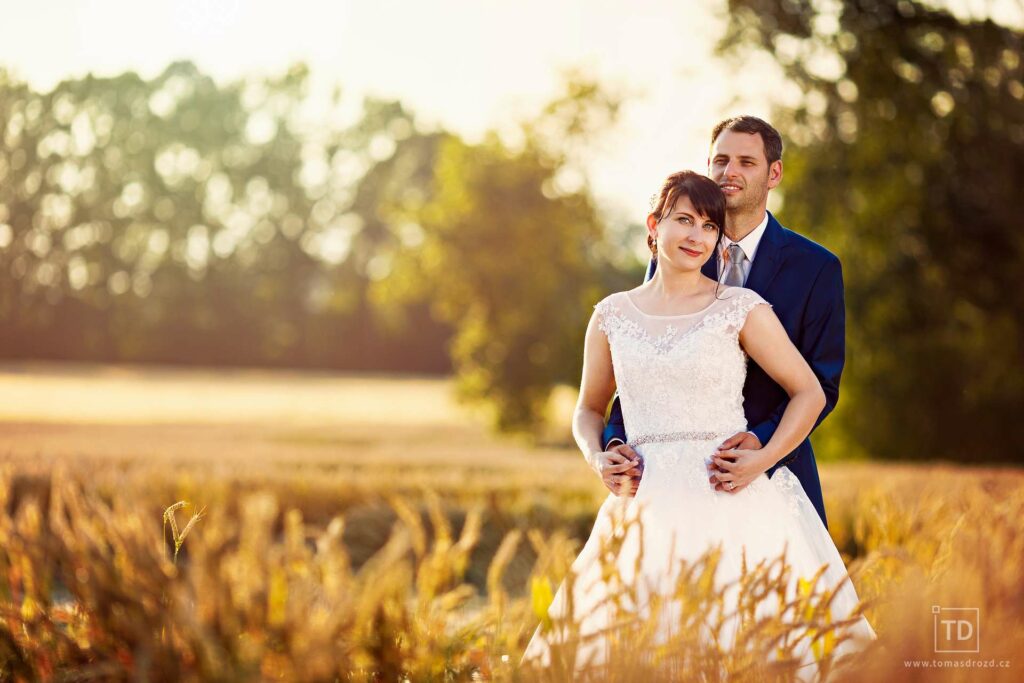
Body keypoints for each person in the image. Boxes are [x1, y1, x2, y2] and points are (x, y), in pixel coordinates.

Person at [520, 170, 875, 676]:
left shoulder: (738, 307)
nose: (696, 236)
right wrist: (598, 457)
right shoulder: (611, 316)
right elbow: (587, 410)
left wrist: (764, 459)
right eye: (684, 220)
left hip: (734, 502)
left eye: (709, 227)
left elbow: (810, 392)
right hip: (644, 510)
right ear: (654, 225)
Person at [604, 116, 843, 529]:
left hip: (776, 472)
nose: (729, 173)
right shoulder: (675, 253)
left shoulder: (816, 268)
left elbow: (820, 384)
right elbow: (647, 360)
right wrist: (614, 441)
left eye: (746, 162)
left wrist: (761, 445)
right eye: (720, 160)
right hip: (665, 488)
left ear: (774, 173)